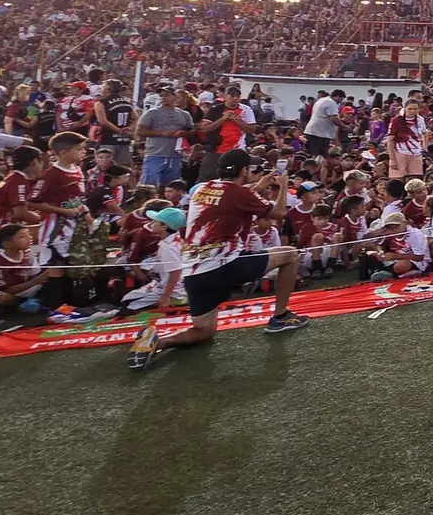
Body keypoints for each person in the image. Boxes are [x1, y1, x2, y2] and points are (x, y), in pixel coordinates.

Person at [125, 150, 309, 371]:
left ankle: (157, 342)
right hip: (225, 264)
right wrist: (282, 186)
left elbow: (229, 198)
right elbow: (279, 213)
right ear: (243, 170)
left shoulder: (203, 188)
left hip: (194, 272)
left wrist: (258, 186)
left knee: (204, 331)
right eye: (249, 168)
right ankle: (281, 317)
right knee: (289, 254)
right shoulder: (240, 194)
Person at [135, 87, 193, 188]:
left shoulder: (184, 114)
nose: (163, 98)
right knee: (148, 185)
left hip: (175, 155)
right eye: (161, 95)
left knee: (171, 186)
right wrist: (162, 133)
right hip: (155, 154)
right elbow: (139, 131)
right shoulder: (152, 112)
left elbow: (191, 131)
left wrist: (182, 133)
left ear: (175, 97)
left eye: (166, 95)